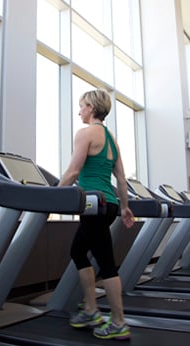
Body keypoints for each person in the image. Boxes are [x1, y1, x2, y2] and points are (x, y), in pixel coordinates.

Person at [58, 89, 135, 340]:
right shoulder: (111, 139)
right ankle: (91, 309)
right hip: (109, 204)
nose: (79, 110)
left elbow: (73, 171)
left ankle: (118, 322)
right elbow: (121, 179)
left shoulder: (85, 134)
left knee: (106, 262)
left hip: (94, 203)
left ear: (91, 107)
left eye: (81, 106)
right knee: (78, 251)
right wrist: (124, 207)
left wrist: (52, 197)